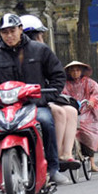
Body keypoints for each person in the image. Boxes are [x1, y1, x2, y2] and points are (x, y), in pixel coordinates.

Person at [0, 13, 70, 193]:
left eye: (12, 30)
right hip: (6, 110)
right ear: (0, 34)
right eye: (4, 32)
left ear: (21, 29)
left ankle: (52, 169)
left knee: (46, 122)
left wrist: (46, 97)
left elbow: (58, 76)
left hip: (34, 106)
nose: (9, 35)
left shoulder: (40, 50)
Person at [20, 14, 80, 169]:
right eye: (39, 36)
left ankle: (66, 154)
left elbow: (56, 75)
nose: (42, 40)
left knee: (71, 111)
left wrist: (51, 93)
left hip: (45, 97)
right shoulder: (15, 55)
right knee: (59, 113)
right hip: (27, 102)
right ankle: (54, 155)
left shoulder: (43, 52)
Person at [63, 61, 98, 172]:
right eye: (72, 70)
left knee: (90, 135)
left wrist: (92, 101)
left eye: (77, 70)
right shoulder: (66, 84)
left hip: (88, 113)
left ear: (82, 71)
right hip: (72, 111)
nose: (75, 73)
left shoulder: (89, 83)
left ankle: (92, 162)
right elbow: (62, 95)